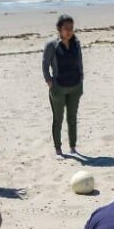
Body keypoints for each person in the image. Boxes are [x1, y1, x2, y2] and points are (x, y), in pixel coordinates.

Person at [42, 14, 84, 156]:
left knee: (72, 118)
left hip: (75, 86)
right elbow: (45, 64)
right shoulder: (52, 45)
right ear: (59, 29)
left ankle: (72, 148)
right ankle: (58, 149)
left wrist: (81, 78)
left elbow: (79, 62)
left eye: (71, 28)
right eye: (66, 28)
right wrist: (49, 81)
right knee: (58, 119)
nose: (69, 31)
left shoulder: (76, 43)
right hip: (58, 87)